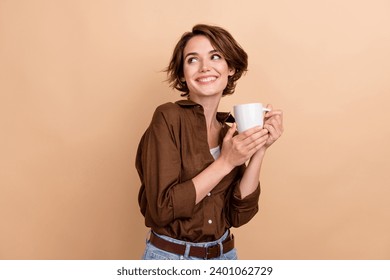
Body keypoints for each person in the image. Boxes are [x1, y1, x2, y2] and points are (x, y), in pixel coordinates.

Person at [135, 24, 283, 260]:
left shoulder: (229, 134)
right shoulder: (168, 118)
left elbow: (238, 215)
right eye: (193, 60)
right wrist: (225, 162)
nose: (205, 67)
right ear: (183, 73)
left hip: (224, 256)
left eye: (215, 57)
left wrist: (259, 150)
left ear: (231, 68)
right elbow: (162, 209)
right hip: (172, 259)